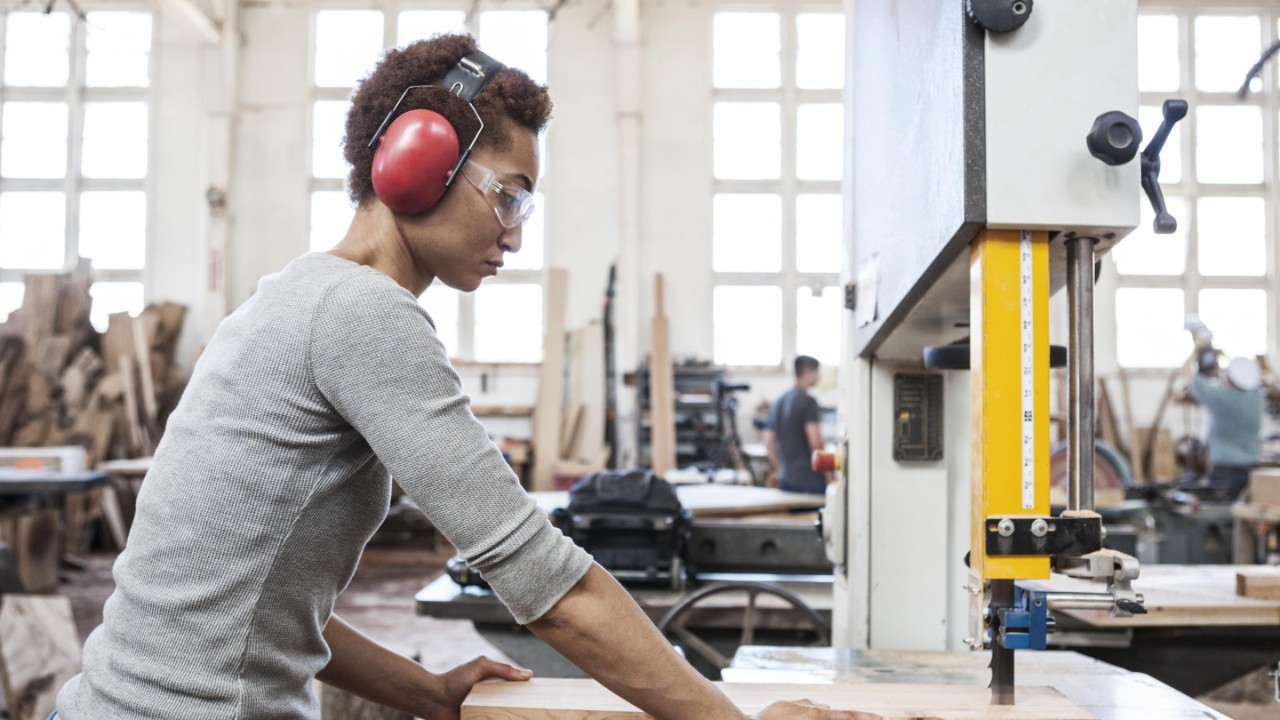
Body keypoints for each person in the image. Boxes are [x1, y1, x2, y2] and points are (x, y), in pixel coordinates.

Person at [54, 36, 877, 720]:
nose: (515, 237)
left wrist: (425, 690)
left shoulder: (295, 296)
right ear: (419, 163)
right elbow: (537, 576)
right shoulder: (361, 314)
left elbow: (249, 604)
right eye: (510, 197)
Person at [1180, 336, 1264, 499]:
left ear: (1230, 378)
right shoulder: (1258, 399)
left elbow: (1185, 371)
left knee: (1219, 518)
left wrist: (1198, 348)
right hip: (1249, 473)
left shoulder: (1222, 399)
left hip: (1224, 474)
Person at [764, 355, 832, 494]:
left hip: (786, 479)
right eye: (817, 373)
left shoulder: (778, 402)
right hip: (810, 481)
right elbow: (816, 443)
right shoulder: (808, 402)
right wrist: (830, 477)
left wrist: (780, 470)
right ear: (808, 374)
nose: (818, 377)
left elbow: (768, 443)